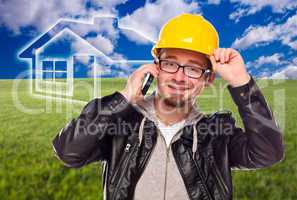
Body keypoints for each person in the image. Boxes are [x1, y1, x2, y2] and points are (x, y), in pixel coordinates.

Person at [52, 13, 284, 200]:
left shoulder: (216, 134)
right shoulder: (122, 123)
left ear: (208, 78)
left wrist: (241, 83)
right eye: (170, 63)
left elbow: (268, 153)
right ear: (156, 67)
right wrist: (123, 98)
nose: (180, 77)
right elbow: (68, 152)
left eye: (193, 68)